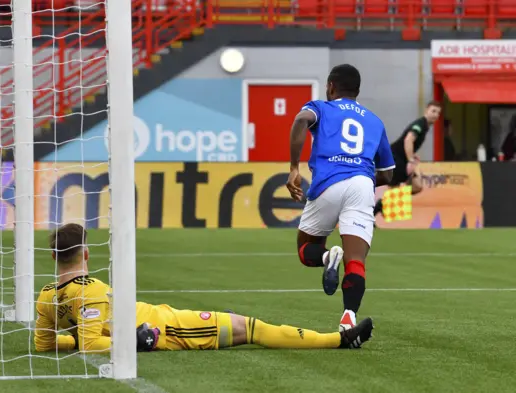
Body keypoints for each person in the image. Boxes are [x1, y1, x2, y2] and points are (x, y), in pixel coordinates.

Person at [34, 223, 374, 353]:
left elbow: (45, 344)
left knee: (248, 327)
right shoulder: (90, 289)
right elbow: (94, 344)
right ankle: (340, 339)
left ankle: (340, 338)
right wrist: (138, 341)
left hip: (162, 318)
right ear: (87, 253)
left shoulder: (47, 295)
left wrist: (75, 337)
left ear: (53, 256)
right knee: (250, 328)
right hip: (172, 329)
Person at [286, 64, 395, 332]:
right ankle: (348, 319)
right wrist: (364, 178)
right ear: (357, 90)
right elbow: (389, 174)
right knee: (356, 261)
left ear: (331, 86)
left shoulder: (321, 107)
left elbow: (301, 120)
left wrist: (293, 168)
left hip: (327, 183)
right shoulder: (374, 120)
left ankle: (327, 258)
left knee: (305, 250)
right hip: (361, 184)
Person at [373, 101, 442, 219]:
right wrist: (410, 160)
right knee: (393, 189)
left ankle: (382, 204)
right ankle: (375, 212)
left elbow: (409, 143)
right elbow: (408, 140)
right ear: (426, 111)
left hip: (402, 158)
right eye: (433, 111)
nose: (435, 114)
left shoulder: (424, 126)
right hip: (396, 157)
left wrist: (412, 155)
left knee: (417, 186)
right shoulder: (420, 124)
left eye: (438, 113)